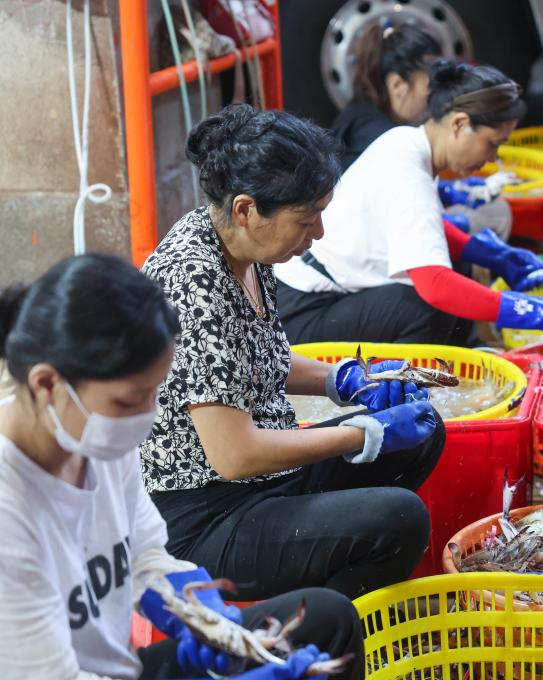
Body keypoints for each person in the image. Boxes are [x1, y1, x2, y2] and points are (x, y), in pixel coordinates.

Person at [0, 254, 363, 679]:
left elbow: (145, 554)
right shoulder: (11, 509)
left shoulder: (93, 437)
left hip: (120, 669)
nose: (148, 414)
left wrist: (192, 608)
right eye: (129, 399)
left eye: (155, 391)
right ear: (47, 384)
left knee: (327, 618)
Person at [141, 104, 445, 604]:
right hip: (208, 517)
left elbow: (263, 357)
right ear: (246, 209)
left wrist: (346, 379)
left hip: (265, 480)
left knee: (423, 434)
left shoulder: (244, 248)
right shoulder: (193, 286)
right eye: (307, 219)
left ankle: (322, 590)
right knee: (400, 519)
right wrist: (362, 432)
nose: (318, 233)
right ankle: (320, 623)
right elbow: (234, 455)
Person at [275, 61, 543, 346]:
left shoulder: (408, 141)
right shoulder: (409, 170)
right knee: (428, 306)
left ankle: (462, 358)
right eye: (492, 144)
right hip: (303, 311)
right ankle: (409, 390)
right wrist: (538, 312)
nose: (492, 158)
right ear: (459, 124)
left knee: (456, 266)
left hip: (313, 297)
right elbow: (434, 285)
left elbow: (424, 229)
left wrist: (491, 254)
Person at [331, 22, 441, 173]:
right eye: (430, 85)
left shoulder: (361, 113)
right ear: (397, 85)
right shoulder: (378, 137)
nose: (434, 94)